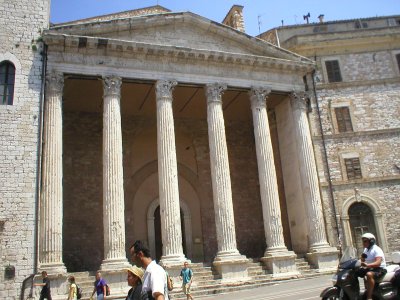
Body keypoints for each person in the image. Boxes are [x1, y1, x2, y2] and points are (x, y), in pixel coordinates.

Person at [358, 233, 387, 300]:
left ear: (371, 241)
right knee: (355, 272)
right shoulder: (366, 250)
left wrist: (367, 265)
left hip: (380, 269)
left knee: (369, 274)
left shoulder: (376, 249)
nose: (363, 243)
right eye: (363, 241)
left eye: (365, 241)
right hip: (370, 268)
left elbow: (378, 263)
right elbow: (362, 259)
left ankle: (369, 297)